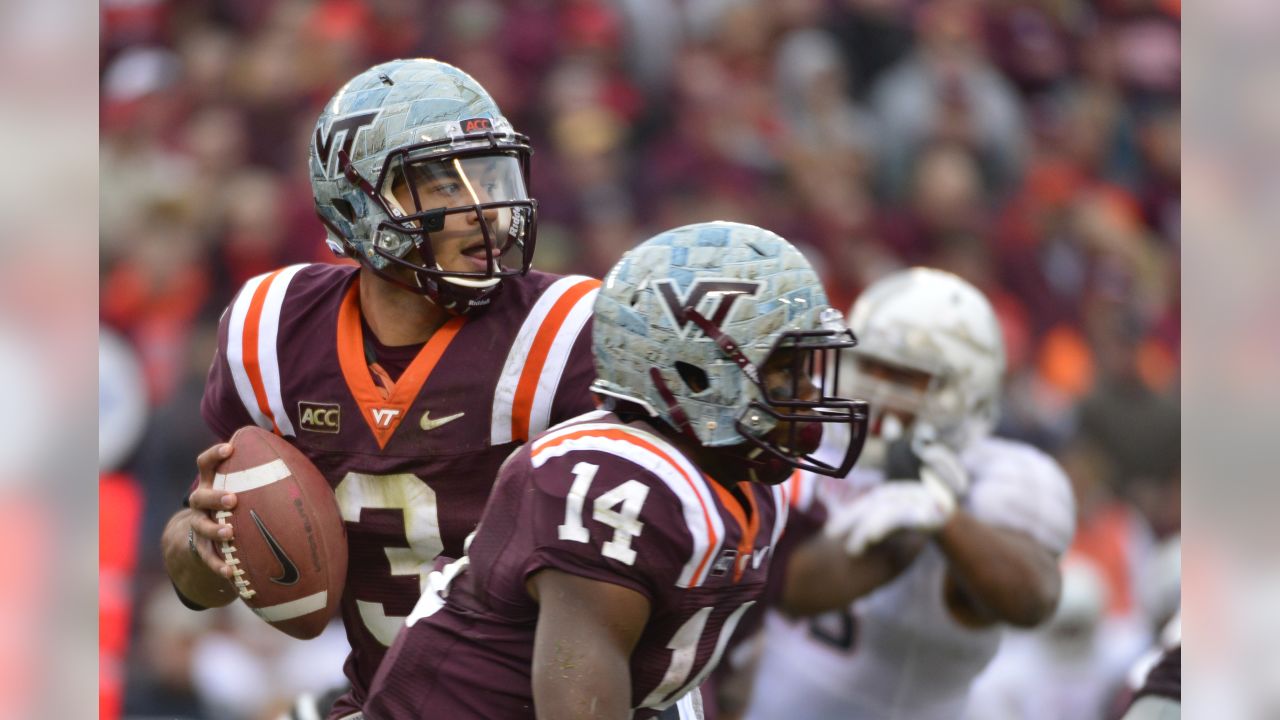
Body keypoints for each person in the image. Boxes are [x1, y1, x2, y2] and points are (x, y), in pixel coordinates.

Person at [159, 58, 602, 720]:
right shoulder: (272, 333)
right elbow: (199, 562)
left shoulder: (567, 334)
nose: (485, 212)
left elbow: (633, 584)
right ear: (356, 201)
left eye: (490, 176)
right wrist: (202, 548)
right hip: (388, 702)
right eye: (445, 186)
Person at [362, 221, 922, 720]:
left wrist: (919, 524)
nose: (807, 395)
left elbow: (791, 591)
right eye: (784, 372)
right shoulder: (611, 482)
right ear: (694, 374)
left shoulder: (741, 482)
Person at [741, 267, 1077, 720]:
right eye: (870, 365)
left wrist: (947, 518)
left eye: (906, 377)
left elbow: (1031, 600)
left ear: (968, 391)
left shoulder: (1007, 475)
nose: (879, 390)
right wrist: (901, 540)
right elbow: (794, 592)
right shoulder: (804, 435)